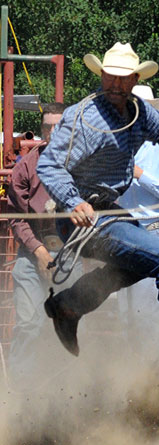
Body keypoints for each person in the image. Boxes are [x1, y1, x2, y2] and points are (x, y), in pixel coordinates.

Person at [36, 42, 159, 371]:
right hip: (83, 217)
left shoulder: (138, 112)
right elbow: (49, 165)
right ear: (101, 75)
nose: (115, 84)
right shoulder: (85, 119)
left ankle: (68, 306)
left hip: (109, 212)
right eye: (110, 77)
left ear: (134, 80)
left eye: (122, 78)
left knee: (139, 266)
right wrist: (73, 201)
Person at [6, 102, 83, 390]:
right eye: (47, 126)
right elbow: (17, 216)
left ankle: (66, 391)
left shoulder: (81, 163)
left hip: (70, 254)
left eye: (58, 125)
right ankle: (17, 393)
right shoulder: (26, 166)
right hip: (32, 253)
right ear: (41, 131)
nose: (52, 131)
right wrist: (38, 250)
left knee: (68, 326)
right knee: (29, 323)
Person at [117, 85, 159, 363]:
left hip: (152, 230)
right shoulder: (117, 146)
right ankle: (137, 383)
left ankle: (156, 383)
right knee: (126, 317)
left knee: (150, 317)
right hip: (121, 233)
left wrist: (140, 175)